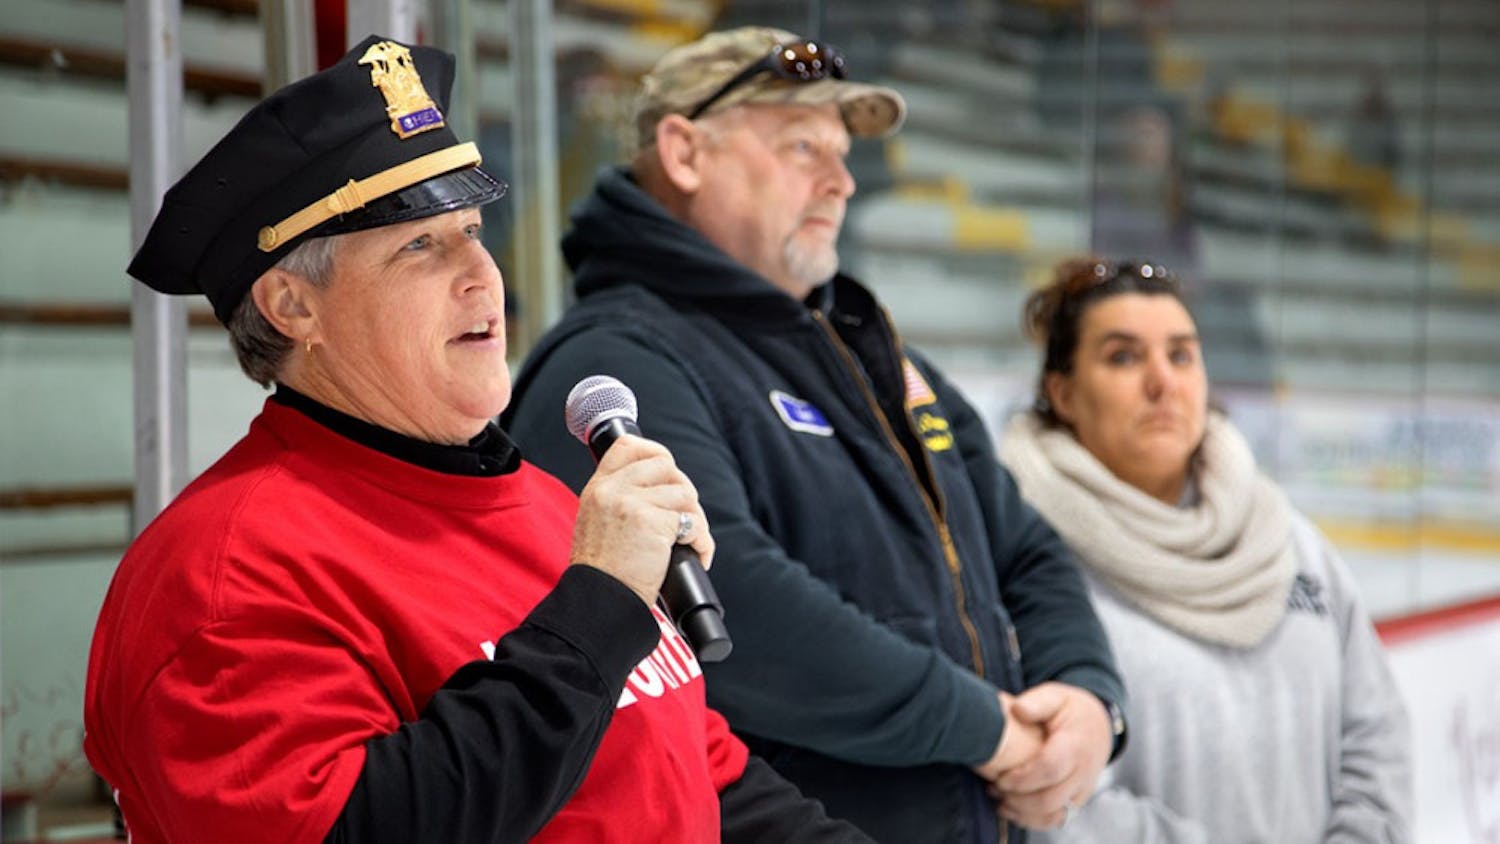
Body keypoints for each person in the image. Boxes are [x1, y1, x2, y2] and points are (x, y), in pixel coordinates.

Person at [83, 35, 868, 844]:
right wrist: (597, 608)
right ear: (292, 306)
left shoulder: (548, 504)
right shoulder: (225, 573)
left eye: (472, 229)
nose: (480, 274)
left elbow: (699, 774)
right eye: (419, 244)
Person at [502, 26, 1127, 842]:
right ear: (685, 153)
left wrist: (1087, 699)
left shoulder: (875, 352)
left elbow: (1027, 549)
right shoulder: (617, 360)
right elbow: (739, 614)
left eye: (843, 155)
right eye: (803, 147)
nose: (841, 183)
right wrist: (991, 732)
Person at [997, 257, 1412, 843]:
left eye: (1181, 354)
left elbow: (1377, 734)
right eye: (1123, 356)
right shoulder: (1027, 560)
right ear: (1062, 393)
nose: (1162, 381)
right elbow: (1061, 796)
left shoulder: (1289, 542)